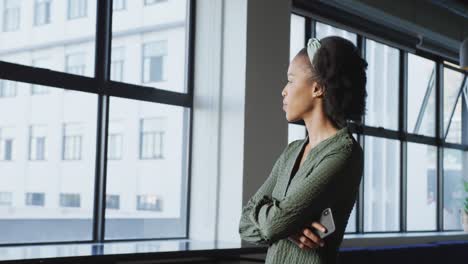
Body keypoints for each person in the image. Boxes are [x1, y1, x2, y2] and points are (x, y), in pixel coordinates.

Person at [238, 36, 368, 264]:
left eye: (290, 80)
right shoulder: (292, 151)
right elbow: (244, 225)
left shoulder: (344, 152)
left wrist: (279, 225)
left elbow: (272, 226)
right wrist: (290, 230)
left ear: (317, 88)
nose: (283, 91)